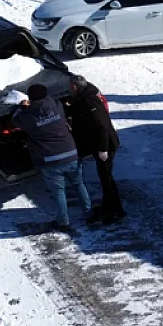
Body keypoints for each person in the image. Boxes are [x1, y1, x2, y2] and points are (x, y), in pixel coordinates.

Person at [13, 84, 91, 231]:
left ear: (30, 98)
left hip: (50, 160)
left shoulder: (28, 117)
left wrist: (22, 107)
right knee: (79, 185)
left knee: (59, 191)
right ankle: (88, 212)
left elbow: (16, 121)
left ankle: (64, 221)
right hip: (71, 153)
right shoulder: (57, 105)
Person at [66, 75, 124, 223]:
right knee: (104, 177)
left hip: (105, 145)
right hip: (99, 144)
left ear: (74, 87)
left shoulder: (90, 101)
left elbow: (102, 125)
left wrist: (103, 148)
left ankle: (116, 210)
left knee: (107, 178)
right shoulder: (85, 95)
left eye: (70, 88)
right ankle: (108, 206)